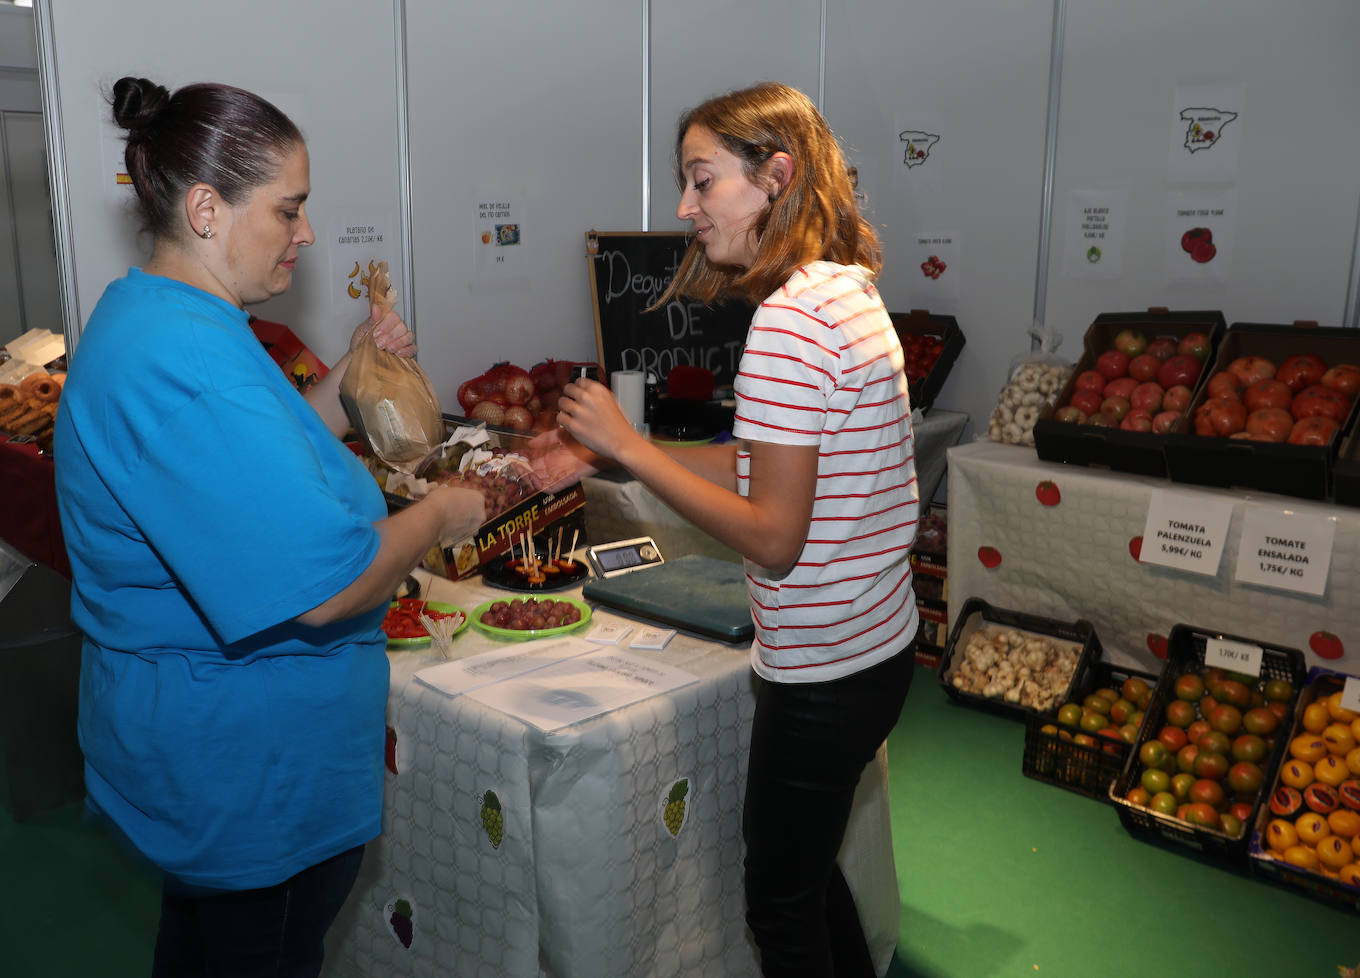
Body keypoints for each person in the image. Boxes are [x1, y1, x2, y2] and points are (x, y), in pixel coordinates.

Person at [53, 77, 485, 978]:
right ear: (208, 209)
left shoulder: (170, 318)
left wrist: (354, 384)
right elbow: (326, 590)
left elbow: (253, 452)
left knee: (204, 950)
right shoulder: (183, 360)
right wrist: (441, 512)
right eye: (288, 209)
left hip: (209, 752)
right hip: (248, 774)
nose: (307, 233)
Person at [541, 82, 919, 977]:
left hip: (824, 671)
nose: (685, 207)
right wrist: (627, 458)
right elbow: (771, 470)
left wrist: (630, 440)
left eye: (702, 181)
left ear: (775, 176)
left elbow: (773, 534)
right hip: (878, 647)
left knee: (778, 908)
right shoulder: (847, 293)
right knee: (810, 868)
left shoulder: (788, 323)